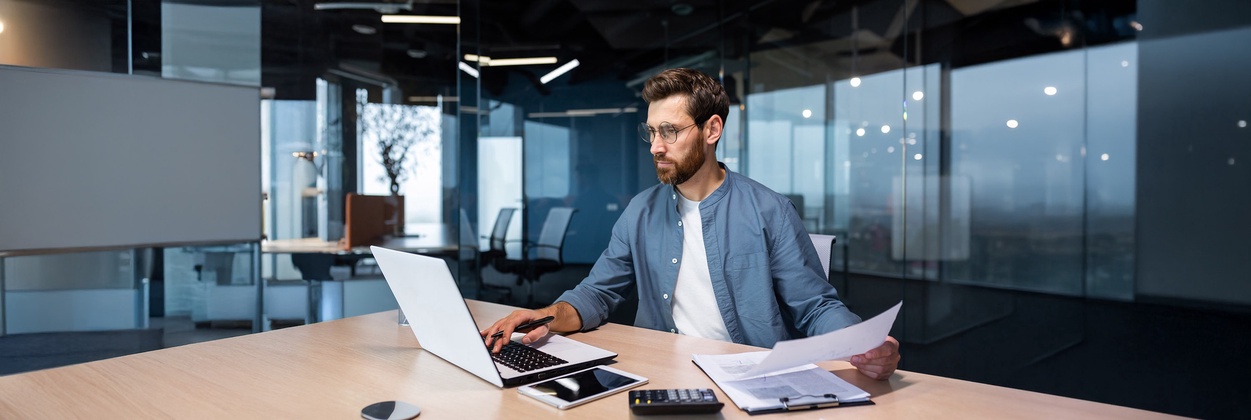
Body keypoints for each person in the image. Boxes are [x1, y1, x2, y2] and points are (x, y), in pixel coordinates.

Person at [480, 68, 900, 380]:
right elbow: (597, 293)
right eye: (651, 133)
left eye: (669, 131)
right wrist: (545, 316)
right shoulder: (639, 212)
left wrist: (863, 344)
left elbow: (815, 306)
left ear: (712, 129)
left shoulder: (770, 210)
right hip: (659, 371)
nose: (656, 147)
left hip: (751, 377)